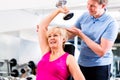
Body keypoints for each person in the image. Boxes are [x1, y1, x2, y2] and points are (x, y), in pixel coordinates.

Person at [66, 0, 119, 80]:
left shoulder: (111, 23)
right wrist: (50, 32)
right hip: (82, 63)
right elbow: (70, 33)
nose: (89, 8)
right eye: (88, 4)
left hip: (99, 66)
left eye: (93, 6)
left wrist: (82, 35)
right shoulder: (85, 16)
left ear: (103, 6)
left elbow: (101, 51)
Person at [36, 6, 85, 80]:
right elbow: (42, 26)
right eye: (49, 36)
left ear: (63, 39)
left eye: (55, 35)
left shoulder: (69, 58)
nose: (52, 38)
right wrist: (58, 11)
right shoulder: (46, 51)